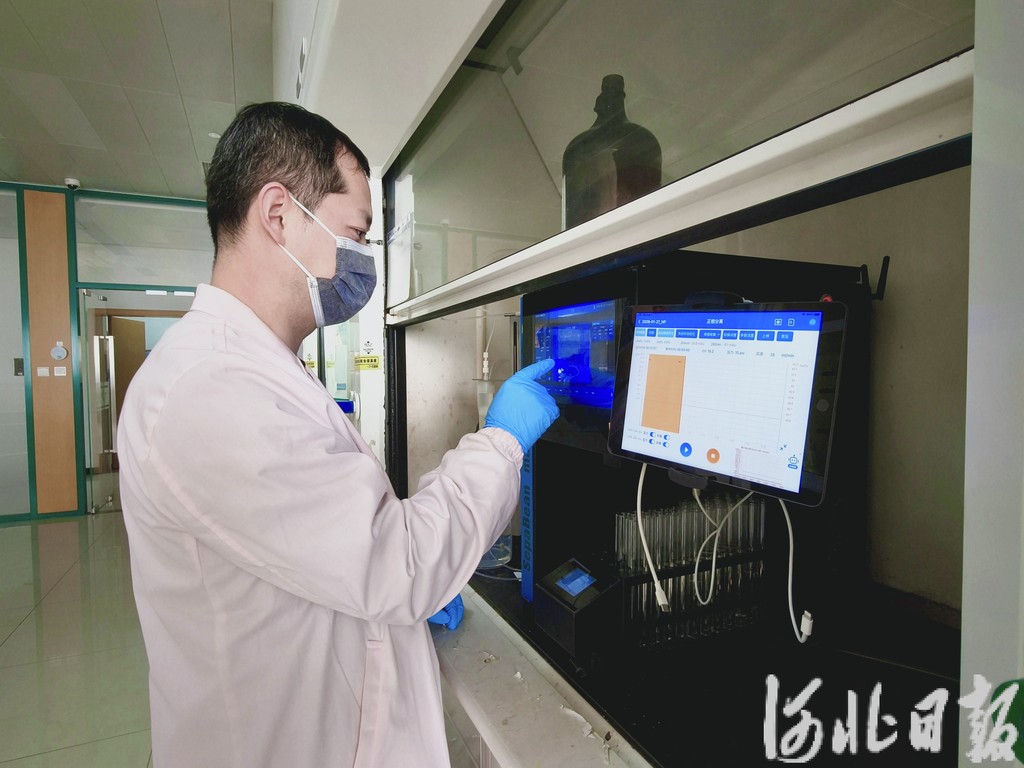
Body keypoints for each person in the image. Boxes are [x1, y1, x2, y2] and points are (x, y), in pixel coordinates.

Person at [117, 102, 559, 768]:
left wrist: (396, 609)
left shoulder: (255, 367)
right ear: (278, 214)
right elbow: (396, 564)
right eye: (356, 232)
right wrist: (501, 441)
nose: (364, 260)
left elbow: (317, 551)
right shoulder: (208, 389)